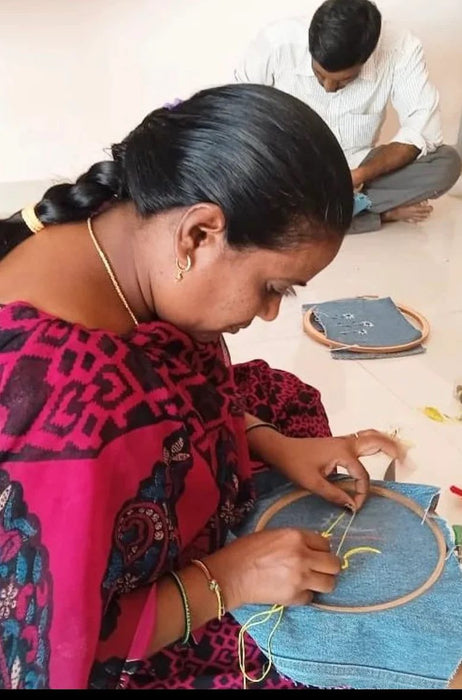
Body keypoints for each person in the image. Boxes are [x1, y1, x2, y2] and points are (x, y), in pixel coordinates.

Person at [0, 83, 403, 690]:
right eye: (275, 286)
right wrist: (230, 579)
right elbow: (58, 647)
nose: (270, 315)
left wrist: (272, 442)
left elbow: (192, 390)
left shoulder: (127, 237)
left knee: (288, 405)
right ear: (198, 235)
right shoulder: (65, 403)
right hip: (101, 634)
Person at [234, 0, 461, 233]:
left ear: (369, 55)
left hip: (357, 170)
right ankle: (376, 214)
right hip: (294, 172)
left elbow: (422, 132)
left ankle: (314, 219)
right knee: (239, 183)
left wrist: (358, 175)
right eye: (319, 75)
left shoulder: (401, 49)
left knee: (445, 163)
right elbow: (238, 118)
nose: (329, 88)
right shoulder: (276, 44)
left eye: (344, 80)